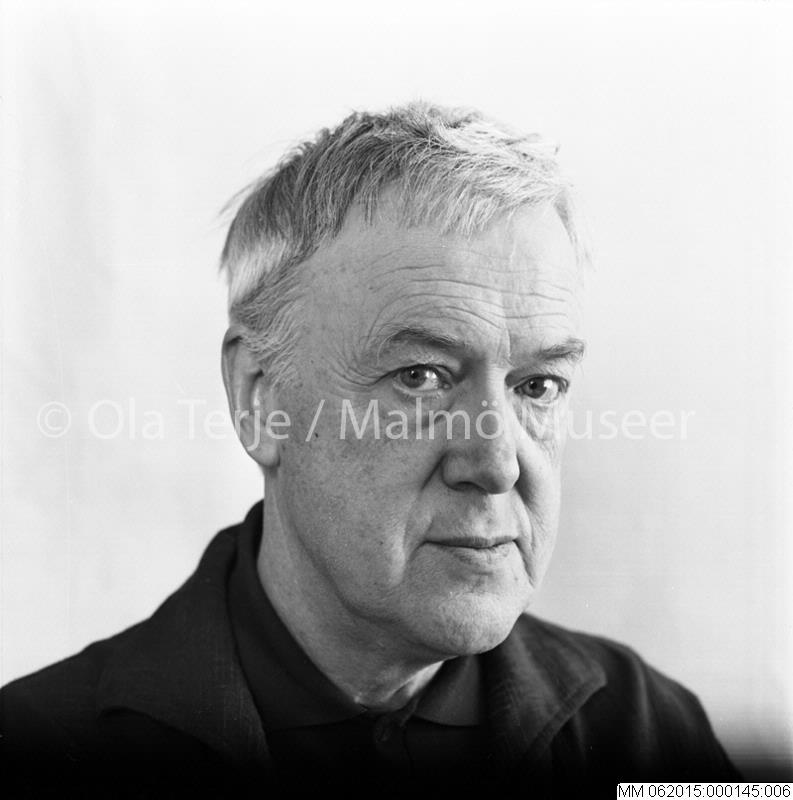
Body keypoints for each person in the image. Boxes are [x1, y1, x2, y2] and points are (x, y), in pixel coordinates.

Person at [1, 102, 737, 797]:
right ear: (260, 399)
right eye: (420, 377)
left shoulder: (648, 730)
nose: (495, 464)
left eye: (538, 386)